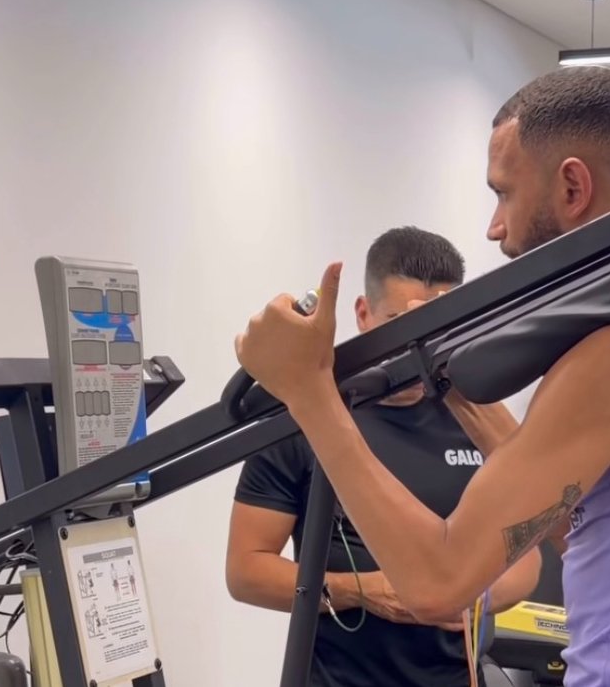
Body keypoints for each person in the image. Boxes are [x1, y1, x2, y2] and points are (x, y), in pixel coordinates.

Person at [233, 66, 610, 687]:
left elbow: (436, 586)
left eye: (503, 194)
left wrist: (309, 389)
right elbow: (586, 529)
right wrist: (445, 375)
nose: (495, 228)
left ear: (572, 187)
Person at [225, 226, 542, 687]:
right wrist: (360, 591)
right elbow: (245, 571)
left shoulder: (474, 417)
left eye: (438, 328)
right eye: (400, 323)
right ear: (362, 314)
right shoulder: (305, 418)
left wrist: (465, 594)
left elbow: (527, 558)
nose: (419, 346)